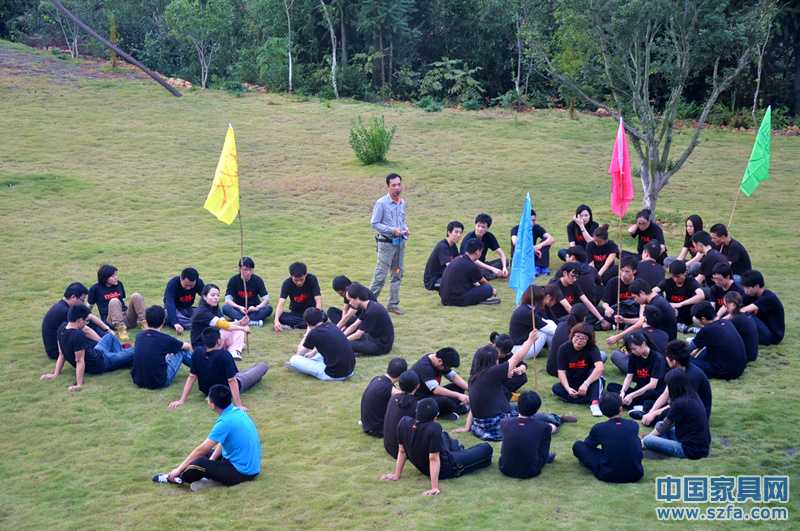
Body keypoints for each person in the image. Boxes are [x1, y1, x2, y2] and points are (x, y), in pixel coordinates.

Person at [153, 385, 260, 487]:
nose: (207, 399)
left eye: (208, 398)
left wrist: (178, 469)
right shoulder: (237, 412)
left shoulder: (225, 422)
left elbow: (201, 450)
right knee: (206, 455)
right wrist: (212, 459)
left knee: (199, 463)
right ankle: (201, 474)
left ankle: (176, 478)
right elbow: (223, 442)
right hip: (249, 467)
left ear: (212, 405)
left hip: (241, 473)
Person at [381, 398, 493, 496]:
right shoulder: (433, 428)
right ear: (435, 417)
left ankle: (458, 450)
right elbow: (433, 458)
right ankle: (459, 452)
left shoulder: (404, 422)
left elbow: (402, 451)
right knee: (486, 448)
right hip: (446, 467)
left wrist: (396, 474)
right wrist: (434, 487)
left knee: (444, 435)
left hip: (427, 462)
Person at [169, 328, 268, 411]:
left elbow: (192, 377)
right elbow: (232, 381)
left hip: (208, 391)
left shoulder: (197, 353)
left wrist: (182, 400)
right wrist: (238, 405)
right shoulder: (224, 355)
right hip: (226, 390)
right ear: (218, 341)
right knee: (262, 366)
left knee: (244, 373)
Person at [40, 305, 135, 391]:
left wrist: (56, 374)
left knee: (109, 337)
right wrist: (79, 384)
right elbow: (79, 361)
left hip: (97, 352)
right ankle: (123, 358)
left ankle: (122, 357)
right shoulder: (77, 335)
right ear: (79, 320)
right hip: (101, 363)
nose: (86, 323)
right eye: (86, 321)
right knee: (135, 350)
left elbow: (62, 354)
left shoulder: (62, 328)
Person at [572, 392, 643, 483]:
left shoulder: (599, 428)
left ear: (602, 410)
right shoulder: (633, 425)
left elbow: (588, 446)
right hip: (636, 474)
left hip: (608, 474)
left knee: (578, 446)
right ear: (620, 408)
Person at [640, 341, 712, 425]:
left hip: (696, 413)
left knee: (663, 417)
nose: (666, 359)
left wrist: (654, 414)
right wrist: (651, 411)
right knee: (649, 403)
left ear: (673, 361)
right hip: (683, 404)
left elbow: (679, 404)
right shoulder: (678, 370)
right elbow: (665, 394)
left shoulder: (691, 376)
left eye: (667, 357)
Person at [642, 371, 710, 459]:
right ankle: (662, 444)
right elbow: (665, 425)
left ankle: (660, 445)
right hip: (700, 444)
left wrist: (645, 439)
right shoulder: (692, 394)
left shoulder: (680, 404)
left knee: (648, 440)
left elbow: (664, 427)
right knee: (658, 424)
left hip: (689, 450)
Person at [369, 173, 408, 315]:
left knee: (397, 273)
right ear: (388, 187)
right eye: (394, 185)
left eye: (399, 184)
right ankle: (368, 304)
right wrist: (392, 230)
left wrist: (405, 229)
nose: (397, 188)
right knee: (380, 276)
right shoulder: (381, 203)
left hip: (400, 243)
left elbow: (402, 221)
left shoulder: (402, 203)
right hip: (386, 244)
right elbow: (374, 223)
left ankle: (393, 304)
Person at [498, 391, 560, 479]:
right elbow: (544, 449)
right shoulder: (543, 427)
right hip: (531, 471)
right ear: (537, 408)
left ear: (518, 404)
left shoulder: (504, 422)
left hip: (505, 468)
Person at [131, 305, 193, 389]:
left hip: (138, 380)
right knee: (180, 350)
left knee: (173, 350)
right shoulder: (165, 339)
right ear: (163, 321)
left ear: (146, 321)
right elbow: (187, 347)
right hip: (159, 381)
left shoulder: (139, 336)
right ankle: (200, 366)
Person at [287, 307, 356, 381]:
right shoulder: (331, 325)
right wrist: (313, 352)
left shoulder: (314, 333)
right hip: (350, 371)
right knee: (316, 355)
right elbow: (325, 344)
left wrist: (307, 333)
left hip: (333, 375)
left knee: (294, 359)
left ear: (307, 323)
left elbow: (300, 353)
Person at [42, 282, 107, 360]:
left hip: (57, 346)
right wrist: (102, 343)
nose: (83, 303)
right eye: (82, 300)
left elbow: (89, 316)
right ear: (73, 297)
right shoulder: (65, 311)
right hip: (56, 351)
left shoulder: (62, 306)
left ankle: (106, 338)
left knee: (92, 325)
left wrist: (107, 329)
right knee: (97, 346)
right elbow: (86, 330)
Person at [553, 323, 605, 416]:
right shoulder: (563, 348)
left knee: (595, 374)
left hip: (589, 381)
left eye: (583, 338)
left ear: (588, 340)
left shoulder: (592, 348)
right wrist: (568, 388)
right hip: (573, 381)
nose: (579, 340)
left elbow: (600, 368)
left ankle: (594, 403)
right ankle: (587, 398)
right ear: (572, 336)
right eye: (577, 336)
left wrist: (586, 384)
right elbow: (561, 372)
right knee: (556, 388)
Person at [606, 332, 666, 411]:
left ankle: (632, 404)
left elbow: (653, 385)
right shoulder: (633, 356)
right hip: (639, 391)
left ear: (643, 344)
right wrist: (623, 391)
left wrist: (632, 395)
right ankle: (635, 405)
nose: (633, 351)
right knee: (611, 386)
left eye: (634, 349)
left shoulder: (657, 358)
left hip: (652, 391)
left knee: (649, 395)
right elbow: (629, 376)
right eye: (631, 349)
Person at [606, 279, 677, 345]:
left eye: (635, 297)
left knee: (634, 333)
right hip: (664, 338)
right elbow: (643, 320)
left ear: (641, 293)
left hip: (665, 342)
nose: (635, 301)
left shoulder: (655, 304)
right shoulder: (656, 300)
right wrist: (624, 320)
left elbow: (640, 324)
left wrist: (617, 337)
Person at [688, 302, 747, 380]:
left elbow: (688, 348)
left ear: (703, 319)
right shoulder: (726, 322)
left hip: (727, 372)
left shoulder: (707, 330)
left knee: (683, 360)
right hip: (739, 368)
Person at [190, 284, 250, 360]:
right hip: (203, 345)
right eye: (212, 295)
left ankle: (234, 351)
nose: (216, 298)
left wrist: (240, 323)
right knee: (232, 330)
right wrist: (242, 328)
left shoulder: (215, 309)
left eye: (218, 295)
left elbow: (224, 323)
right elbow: (224, 325)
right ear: (204, 297)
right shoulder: (202, 312)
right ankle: (235, 347)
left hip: (214, 339)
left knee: (237, 330)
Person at [88, 264, 146, 341]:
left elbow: (123, 301)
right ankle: (121, 330)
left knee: (136, 296)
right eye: (113, 276)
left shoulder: (119, 284)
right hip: (111, 321)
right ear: (105, 278)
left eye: (116, 275)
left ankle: (144, 323)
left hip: (126, 318)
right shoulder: (95, 289)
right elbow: (89, 306)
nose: (116, 278)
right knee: (114, 301)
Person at [410, 347, 469, 420]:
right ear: (440, 361)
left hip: (431, 394)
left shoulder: (437, 360)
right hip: (420, 399)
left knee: (459, 387)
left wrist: (471, 389)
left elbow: (453, 377)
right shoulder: (425, 367)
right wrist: (458, 396)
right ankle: (449, 412)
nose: (448, 369)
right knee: (444, 400)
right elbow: (436, 390)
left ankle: (449, 408)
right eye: (448, 367)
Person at [547, 263, 611, 329]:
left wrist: (601, 319)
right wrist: (580, 319)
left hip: (573, 314)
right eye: (572, 276)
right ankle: (588, 326)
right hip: (561, 317)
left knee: (600, 311)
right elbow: (568, 307)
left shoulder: (574, 283)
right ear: (565, 273)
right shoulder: (555, 286)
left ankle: (592, 324)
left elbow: (586, 301)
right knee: (575, 317)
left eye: (576, 277)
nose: (575, 279)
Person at [439, 239, 499, 306]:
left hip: (444, 298)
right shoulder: (471, 265)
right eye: (481, 251)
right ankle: (481, 299)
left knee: (476, 287)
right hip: (456, 299)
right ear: (477, 252)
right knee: (488, 289)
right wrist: (492, 290)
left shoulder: (457, 259)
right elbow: (483, 282)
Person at [508, 285, 559, 359]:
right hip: (521, 350)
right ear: (538, 299)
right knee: (545, 331)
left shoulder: (525, 308)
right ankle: (555, 350)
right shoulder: (528, 313)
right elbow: (552, 330)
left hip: (518, 347)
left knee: (546, 327)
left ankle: (555, 349)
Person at [343, 283, 395, 356]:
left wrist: (342, 341)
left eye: (350, 300)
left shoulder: (372, 311)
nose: (350, 303)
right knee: (349, 339)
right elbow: (354, 325)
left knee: (347, 344)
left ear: (357, 298)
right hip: (372, 338)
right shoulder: (367, 306)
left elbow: (358, 334)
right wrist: (341, 336)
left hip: (381, 345)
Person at [360, 357, 408, 437]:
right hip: (377, 429)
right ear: (402, 374)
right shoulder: (390, 389)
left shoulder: (376, 379)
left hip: (367, 424)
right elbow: (406, 399)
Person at [654, 260, 705, 331]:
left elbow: (701, 295)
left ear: (685, 273)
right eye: (673, 276)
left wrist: (680, 304)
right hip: (671, 310)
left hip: (686, 312)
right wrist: (665, 304)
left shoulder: (691, 282)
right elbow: (653, 292)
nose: (675, 279)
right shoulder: (667, 282)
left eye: (678, 276)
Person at [223, 257, 272, 326]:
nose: (248, 272)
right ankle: (252, 322)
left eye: (250, 270)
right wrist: (239, 307)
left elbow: (266, 299)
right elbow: (227, 300)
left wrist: (257, 307)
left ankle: (241, 320)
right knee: (225, 308)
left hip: (253, 310)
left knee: (268, 308)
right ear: (240, 269)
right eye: (245, 270)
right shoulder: (233, 280)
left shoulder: (257, 280)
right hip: (239, 310)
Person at [273, 262, 322, 331]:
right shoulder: (287, 284)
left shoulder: (312, 279)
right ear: (291, 276)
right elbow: (281, 303)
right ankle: (308, 324)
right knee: (277, 315)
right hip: (296, 313)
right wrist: (276, 321)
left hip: (310, 313)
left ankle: (297, 325)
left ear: (306, 274)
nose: (299, 282)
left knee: (323, 316)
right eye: (296, 280)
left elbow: (318, 300)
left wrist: (317, 316)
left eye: (301, 279)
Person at [740, 270, 785, 345]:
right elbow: (735, 303)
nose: (745, 291)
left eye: (747, 288)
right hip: (763, 328)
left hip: (773, 336)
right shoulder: (751, 294)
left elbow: (743, 311)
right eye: (744, 287)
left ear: (757, 286)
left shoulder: (768, 298)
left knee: (746, 315)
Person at [459, 213, 509, 280]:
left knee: (505, 261)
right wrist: (492, 269)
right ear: (475, 225)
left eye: (483, 227)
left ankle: (494, 273)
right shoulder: (469, 239)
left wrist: (504, 267)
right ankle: (492, 274)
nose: (480, 229)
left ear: (487, 228)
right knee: (477, 272)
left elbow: (501, 253)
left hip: (483, 264)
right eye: (478, 226)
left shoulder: (489, 236)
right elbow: (471, 260)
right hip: (470, 265)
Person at [384, 371, 420, 458]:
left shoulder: (393, 398)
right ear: (418, 385)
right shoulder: (416, 406)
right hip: (402, 451)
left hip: (388, 446)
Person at [547, 303, 589, 377]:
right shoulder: (582, 331)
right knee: (602, 356)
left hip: (551, 368)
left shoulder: (560, 325)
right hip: (566, 371)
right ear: (584, 318)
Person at [511, 209, 555, 276]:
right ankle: (535, 267)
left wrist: (540, 245)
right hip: (520, 256)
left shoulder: (536, 228)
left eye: (534, 220)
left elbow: (551, 239)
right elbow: (515, 243)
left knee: (546, 240)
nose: (532, 223)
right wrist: (531, 248)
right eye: (531, 220)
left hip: (531, 253)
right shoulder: (516, 229)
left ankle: (540, 266)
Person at [163, 268, 205, 335]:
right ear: (181, 279)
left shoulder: (199, 282)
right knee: (165, 314)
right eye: (186, 285)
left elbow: (207, 297)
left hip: (188, 309)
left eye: (191, 286)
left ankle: (193, 323)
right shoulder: (173, 284)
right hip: (174, 310)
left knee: (204, 313)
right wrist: (175, 323)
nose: (188, 288)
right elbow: (170, 303)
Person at [423, 221, 463, 291]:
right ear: (449, 232)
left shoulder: (453, 245)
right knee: (459, 283)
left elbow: (458, 261)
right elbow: (451, 266)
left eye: (460, 233)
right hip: (433, 280)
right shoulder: (443, 246)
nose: (459, 235)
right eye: (456, 232)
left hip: (443, 275)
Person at [723, 292, 759, 363]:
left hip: (746, 356)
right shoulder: (745, 315)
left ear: (733, 305)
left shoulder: (736, 320)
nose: (725, 308)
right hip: (752, 354)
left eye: (726, 305)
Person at [600, 256, 639, 320]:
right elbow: (604, 302)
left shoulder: (638, 283)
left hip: (633, 313)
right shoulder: (613, 282)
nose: (623, 274)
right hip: (615, 313)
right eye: (622, 270)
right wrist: (607, 308)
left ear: (634, 271)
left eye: (627, 271)